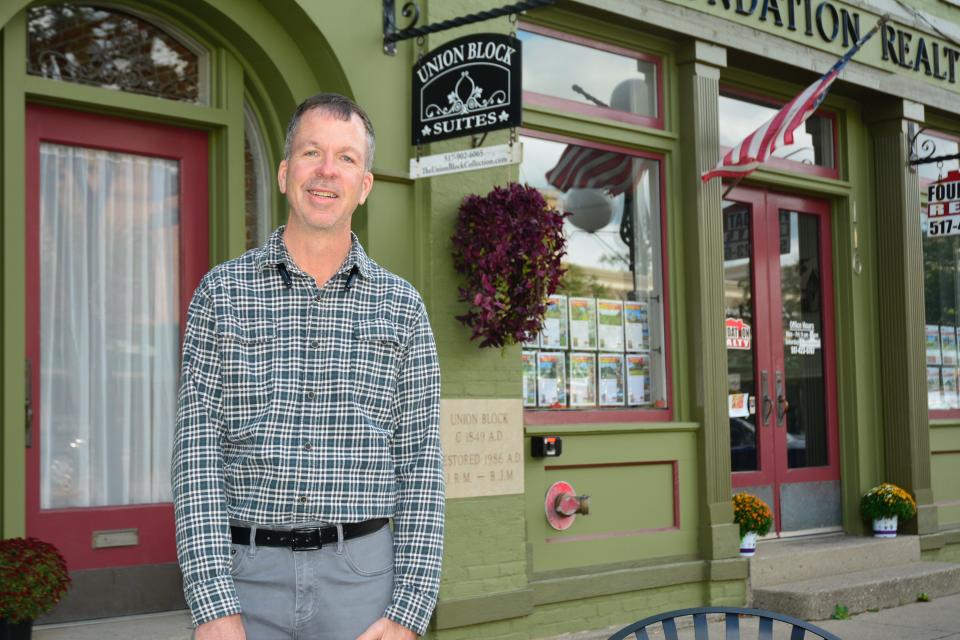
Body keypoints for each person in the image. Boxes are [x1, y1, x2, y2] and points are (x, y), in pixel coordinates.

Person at [172, 93, 444, 640]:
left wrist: (409, 611)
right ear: (283, 173)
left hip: (364, 581)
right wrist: (211, 602)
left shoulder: (403, 308)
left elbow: (421, 464)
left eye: (346, 158)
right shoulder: (221, 294)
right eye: (311, 152)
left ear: (364, 186)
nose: (326, 171)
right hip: (247, 578)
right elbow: (197, 456)